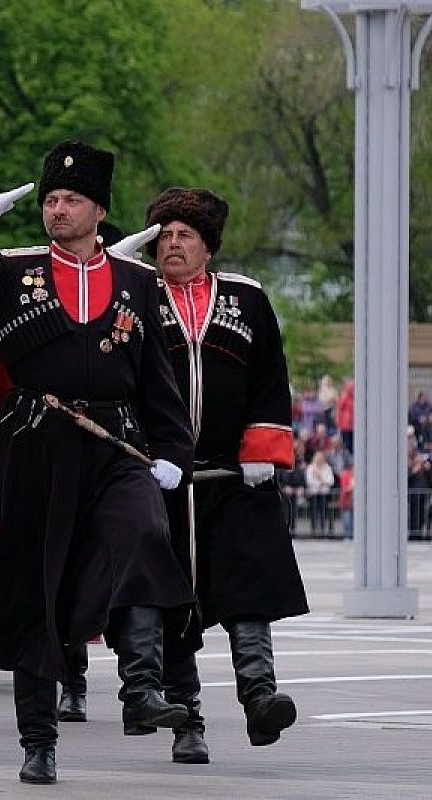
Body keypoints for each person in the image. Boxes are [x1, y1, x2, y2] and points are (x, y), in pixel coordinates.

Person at [0, 140, 197, 785]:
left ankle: (141, 686)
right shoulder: (10, 271)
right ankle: (38, 739)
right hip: (38, 442)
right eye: (52, 199)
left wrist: (173, 453)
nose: (58, 209)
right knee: (39, 587)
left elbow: (156, 382)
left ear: (99, 210)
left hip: (117, 441)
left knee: (143, 533)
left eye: (72, 200)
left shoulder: (139, 283)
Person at [148, 186, 309, 763]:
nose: (173, 244)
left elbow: (270, 376)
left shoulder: (246, 299)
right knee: (171, 601)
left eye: (184, 235)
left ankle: (260, 699)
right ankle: (185, 720)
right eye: (164, 236)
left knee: (247, 590)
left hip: (236, 476)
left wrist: (262, 448)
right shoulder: (138, 297)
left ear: (207, 246)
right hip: (163, 480)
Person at [305, 451, 335, 534]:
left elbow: (331, 481)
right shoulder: (310, 468)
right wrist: (321, 483)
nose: (319, 459)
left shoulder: (327, 468)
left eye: (321, 458)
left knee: (323, 512)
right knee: (314, 512)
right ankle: (314, 530)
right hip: (314, 494)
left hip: (324, 494)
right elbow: (309, 481)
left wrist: (320, 478)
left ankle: (323, 530)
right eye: (318, 458)